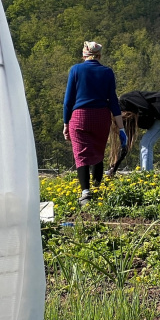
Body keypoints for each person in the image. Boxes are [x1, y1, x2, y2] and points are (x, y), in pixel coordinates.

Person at [63, 41, 126, 206]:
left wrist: (65, 123)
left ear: (84, 55)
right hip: (101, 117)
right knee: (98, 152)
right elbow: (113, 101)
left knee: (80, 153)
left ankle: (85, 193)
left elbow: (68, 101)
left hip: (80, 116)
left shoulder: (76, 70)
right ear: (99, 56)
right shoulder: (107, 72)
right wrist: (121, 127)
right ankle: (97, 188)